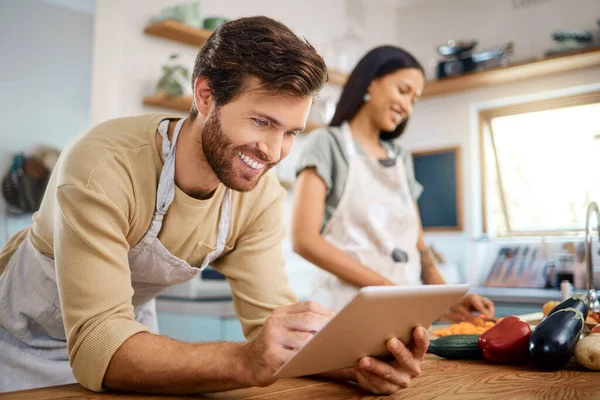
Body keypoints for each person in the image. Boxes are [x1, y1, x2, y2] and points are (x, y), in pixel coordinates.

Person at [0, 18, 427, 396]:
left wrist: (358, 364)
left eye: (291, 132)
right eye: (262, 122)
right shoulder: (102, 166)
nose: (275, 152)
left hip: (126, 337)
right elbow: (96, 344)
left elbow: (271, 324)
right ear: (205, 96)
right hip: (20, 339)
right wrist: (245, 361)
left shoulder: (259, 195)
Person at [291, 46, 495, 322]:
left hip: (401, 316)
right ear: (372, 82)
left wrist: (452, 299)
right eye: (403, 90)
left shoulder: (399, 158)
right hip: (343, 314)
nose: (408, 107)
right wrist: (389, 291)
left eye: (414, 99)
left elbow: (419, 248)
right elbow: (304, 240)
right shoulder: (327, 144)